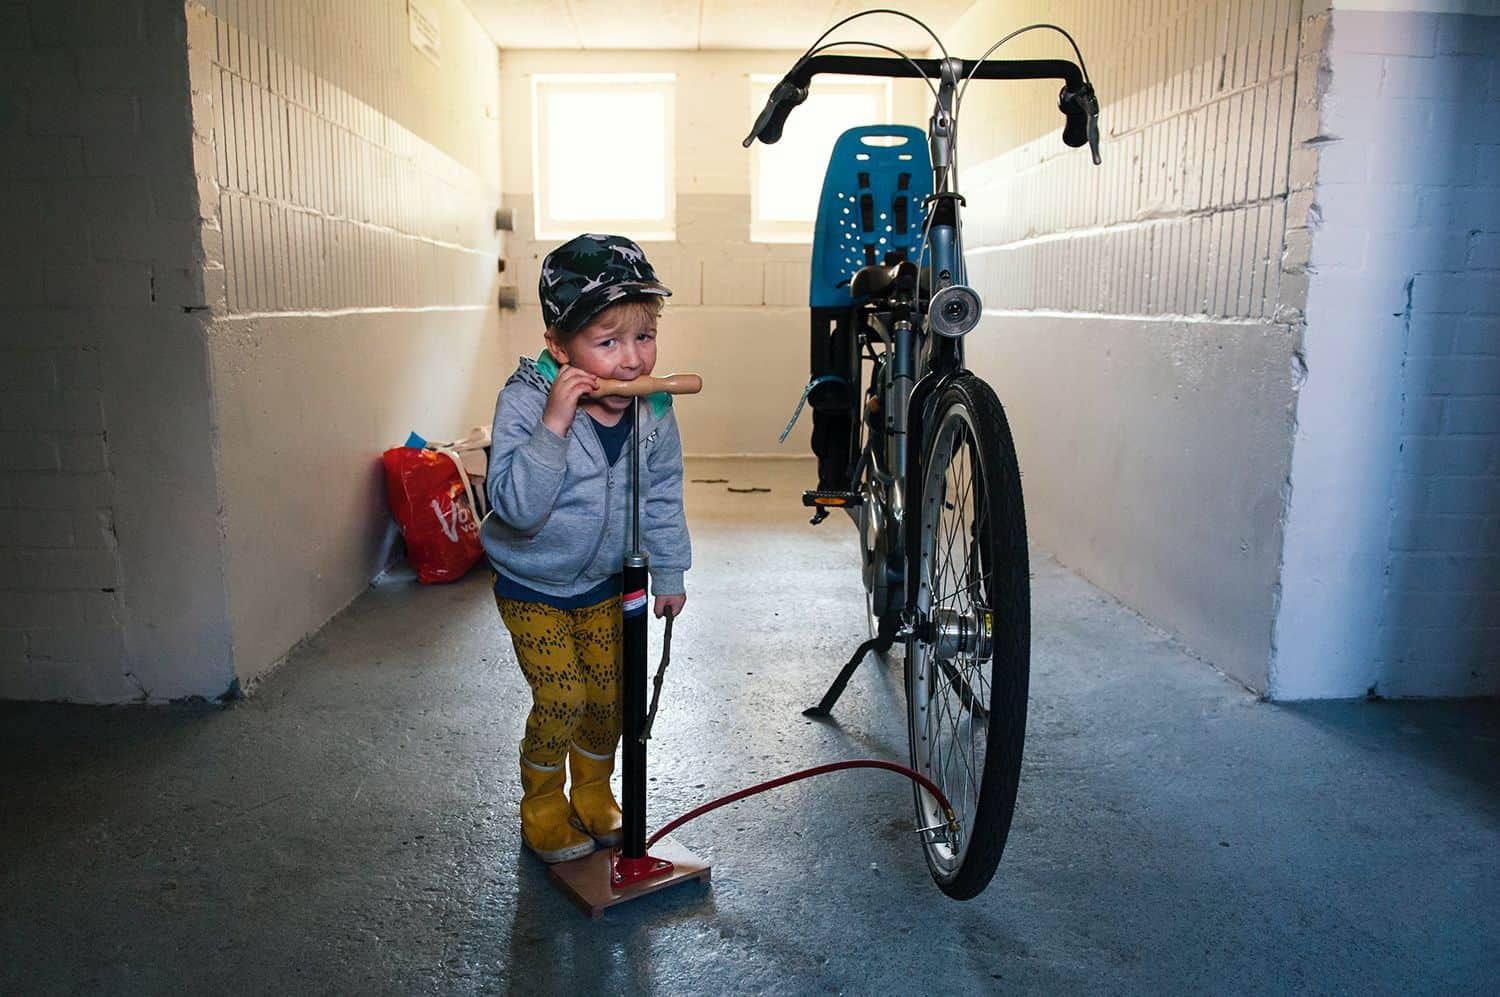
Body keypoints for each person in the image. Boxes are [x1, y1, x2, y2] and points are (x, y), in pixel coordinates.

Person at [483, 233, 690, 864]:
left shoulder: (653, 408)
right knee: (563, 698)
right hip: (534, 585)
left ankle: (595, 792)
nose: (631, 359)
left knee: (609, 699)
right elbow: (515, 507)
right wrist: (554, 422)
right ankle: (544, 804)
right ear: (559, 346)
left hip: (606, 580)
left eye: (644, 336)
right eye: (608, 342)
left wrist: (670, 571)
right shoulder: (523, 403)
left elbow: (661, 494)